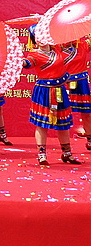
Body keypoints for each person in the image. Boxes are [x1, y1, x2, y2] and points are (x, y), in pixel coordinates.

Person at [24, 28, 80, 166]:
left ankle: (67, 153)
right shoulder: (34, 54)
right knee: (42, 124)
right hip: (44, 92)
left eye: (44, 35)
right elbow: (28, 62)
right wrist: (21, 62)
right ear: (34, 39)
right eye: (38, 36)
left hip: (59, 90)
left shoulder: (57, 49)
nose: (42, 39)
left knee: (63, 124)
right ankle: (42, 155)